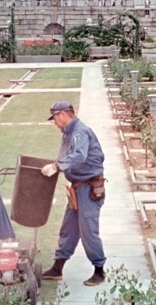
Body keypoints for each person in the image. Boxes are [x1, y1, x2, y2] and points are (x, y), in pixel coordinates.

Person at [39, 100, 107, 286]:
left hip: (89, 188)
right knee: (68, 229)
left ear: (61, 114)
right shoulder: (68, 133)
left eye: (54, 118)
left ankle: (99, 270)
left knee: (88, 231)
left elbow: (79, 156)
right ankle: (58, 267)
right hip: (77, 187)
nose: (55, 123)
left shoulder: (79, 131)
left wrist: (56, 166)